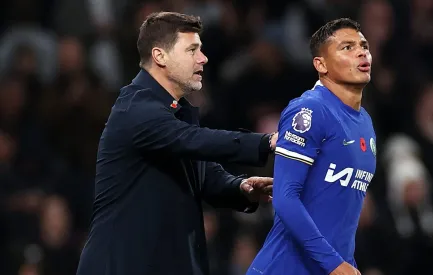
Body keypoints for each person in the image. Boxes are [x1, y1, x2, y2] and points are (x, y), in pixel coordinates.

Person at [76, 12, 278, 275]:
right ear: (160, 56)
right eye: (192, 50)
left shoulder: (176, 110)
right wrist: (267, 141)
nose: (203, 58)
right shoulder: (136, 108)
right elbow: (195, 140)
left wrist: (240, 187)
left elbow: (201, 174)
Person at [247, 18, 376, 275]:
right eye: (347, 47)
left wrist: (347, 264)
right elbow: (285, 199)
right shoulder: (310, 110)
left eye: (363, 45)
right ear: (321, 64)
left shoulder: (365, 122)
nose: (362, 52)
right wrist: (335, 265)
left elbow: (343, 215)